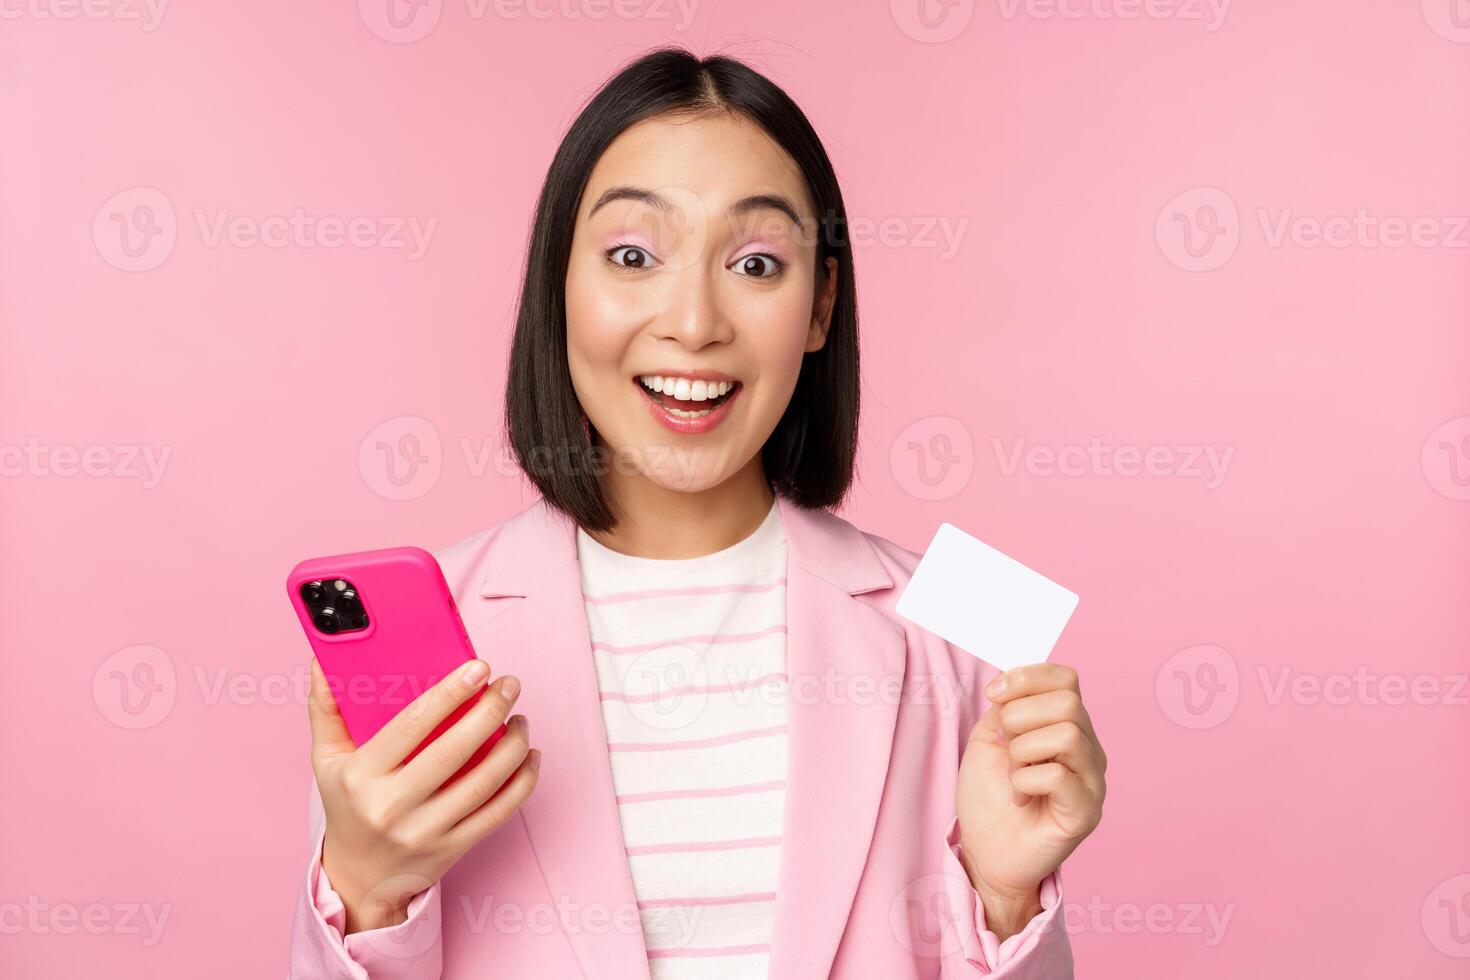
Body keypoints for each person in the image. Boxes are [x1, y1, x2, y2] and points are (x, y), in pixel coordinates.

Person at [289, 46, 1105, 980]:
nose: (694, 321)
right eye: (633, 255)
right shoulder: (434, 627)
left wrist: (1004, 905)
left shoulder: (968, 619)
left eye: (756, 262)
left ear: (820, 305)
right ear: (560, 286)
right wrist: (365, 885)